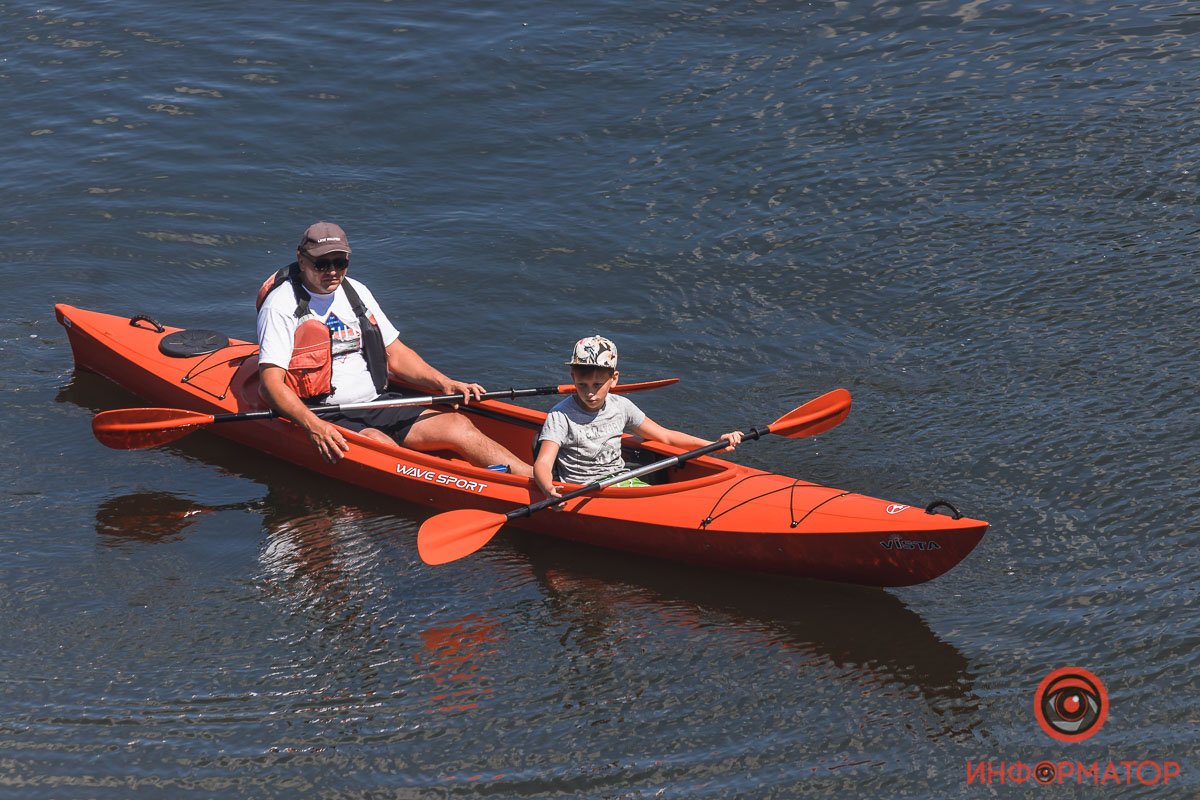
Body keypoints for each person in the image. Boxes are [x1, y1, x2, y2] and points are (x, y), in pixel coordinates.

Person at [256, 221, 533, 475]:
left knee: (458, 426)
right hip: (322, 411)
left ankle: (536, 480)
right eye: (321, 264)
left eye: (340, 262)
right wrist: (314, 427)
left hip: (377, 401)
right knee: (381, 446)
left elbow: (396, 354)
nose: (332, 271)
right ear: (301, 259)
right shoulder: (281, 306)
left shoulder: (356, 292)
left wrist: (443, 382)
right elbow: (270, 384)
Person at [533, 335, 742, 501]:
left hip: (619, 482)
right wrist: (548, 488)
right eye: (582, 385)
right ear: (573, 378)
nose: (590, 393)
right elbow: (542, 463)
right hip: (581, 491)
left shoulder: (621, 406)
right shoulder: (560, 416)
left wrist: (714, 445)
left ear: (614, 379)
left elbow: (666, 437)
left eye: (597, 385)